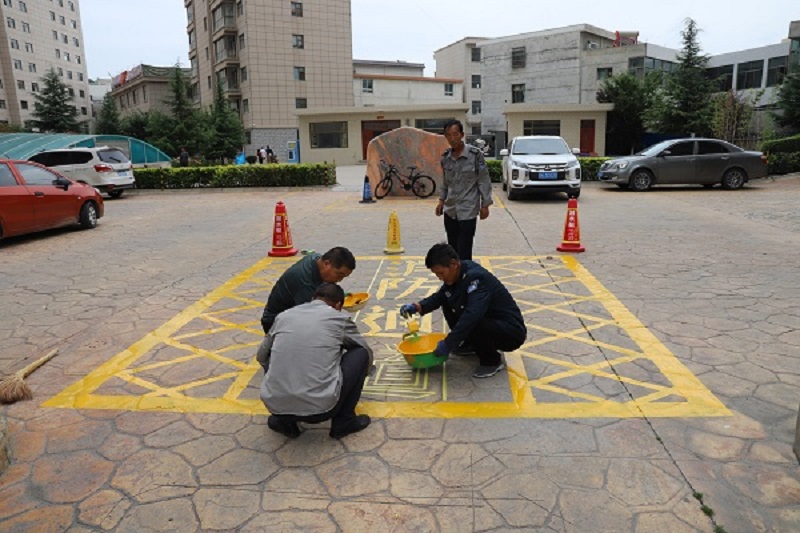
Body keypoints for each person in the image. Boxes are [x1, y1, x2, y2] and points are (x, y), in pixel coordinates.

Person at [260, 282, 373, 439]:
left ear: (313, 299)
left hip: (275, 407)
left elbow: (261, 356)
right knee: (361, 354)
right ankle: (344, 421)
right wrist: (364, 373)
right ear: (339, 304)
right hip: (323, 409)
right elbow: (363, 348)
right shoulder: (338, 318)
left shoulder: (284, 316)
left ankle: (284, 423)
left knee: (276, 352)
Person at [399, 243, 527, 378]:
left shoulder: (477, 278)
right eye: (436, 274)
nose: (440, 277)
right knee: (448, 301)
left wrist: (448, 343)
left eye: (441, 273)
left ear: (453, 264)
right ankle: (468, 344)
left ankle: (491, 361)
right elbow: (441, 296)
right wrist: (418, 307)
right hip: (491, 324)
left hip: (510, 333)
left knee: (473, 319)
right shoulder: (458, 273)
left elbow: (472, 315)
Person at [257, 247, 356, 370]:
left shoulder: (316, 259)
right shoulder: (304, 283)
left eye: (344, 277)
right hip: (275, 323)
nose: (339, 280)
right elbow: (312, 318)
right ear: (326, 264)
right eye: (339, 274)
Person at [436, 119, 493, 261]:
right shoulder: (446, 158)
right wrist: (441, 201)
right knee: (453, 250)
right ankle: (456, 281)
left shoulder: (475, 155)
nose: (452, 138)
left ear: (462, 134)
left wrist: (485, 205)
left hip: (468, 210)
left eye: (455, 134)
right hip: (450, 210)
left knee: (465, 250)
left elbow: (483, 179)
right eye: (448, 135)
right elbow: (445, 181)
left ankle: (466, 278)